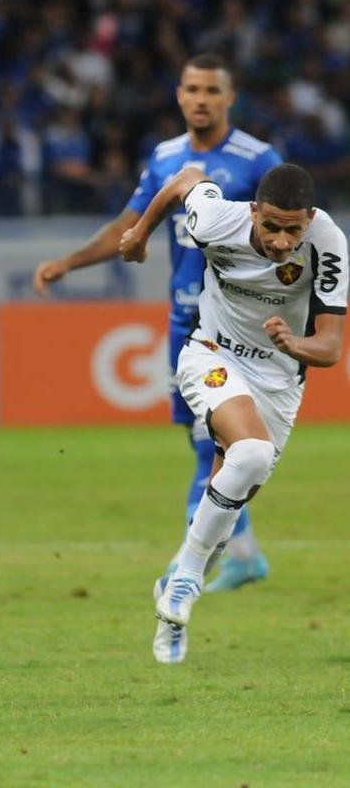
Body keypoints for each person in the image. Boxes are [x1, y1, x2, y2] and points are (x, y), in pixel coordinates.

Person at [31, 54, 282, 663]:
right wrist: (70, 262)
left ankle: (187, 568)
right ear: (178, 95)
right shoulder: (167, 158)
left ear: (230, 97)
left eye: (212, 91)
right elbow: (127, 222)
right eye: (191, 89)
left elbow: (289, 236)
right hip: (182, 320)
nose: (200, 100)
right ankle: (243, 555)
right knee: (204, 443)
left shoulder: (260, 162)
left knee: (212, 446)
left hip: (232, 327)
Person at [118, 163, 347, 661]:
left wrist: (295, 342)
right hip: (212, 354)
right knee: (250, 454)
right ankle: (187, 584)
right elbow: (186, 178)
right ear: (253, 212)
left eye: (293, 229)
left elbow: (330, 349)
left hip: (281, 379)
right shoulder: (216, 220)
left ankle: (172, 594)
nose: (283, 241)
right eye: (271, 226)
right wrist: (139, 233)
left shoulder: (329, 243)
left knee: (236, 492)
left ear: (309, 219)